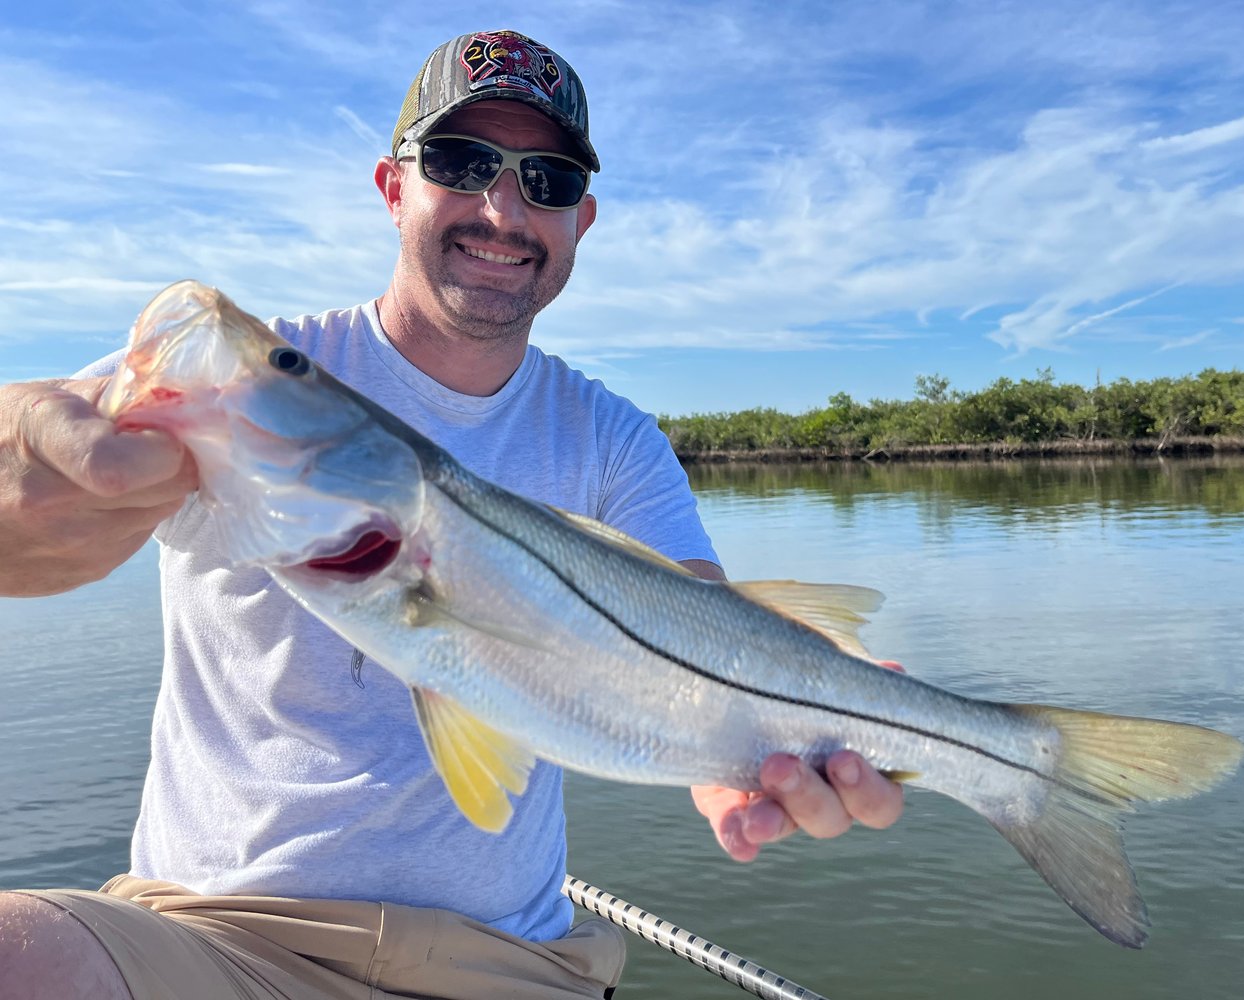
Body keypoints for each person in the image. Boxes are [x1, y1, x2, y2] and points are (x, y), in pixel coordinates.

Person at [0, 29, 903, 1000]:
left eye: (546, 179)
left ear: (581, 221)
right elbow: (32, 457)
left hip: (510, 960)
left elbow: (693, 629)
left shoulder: (612, 437)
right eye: (462, 163)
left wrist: (730, 754)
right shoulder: (244, 387)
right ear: (394, 188)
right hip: (216, 937)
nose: (501, 208)